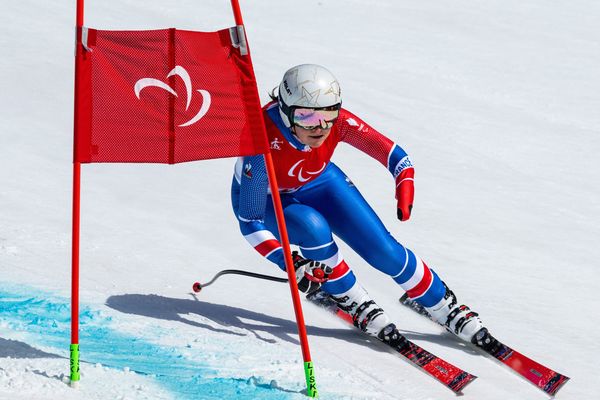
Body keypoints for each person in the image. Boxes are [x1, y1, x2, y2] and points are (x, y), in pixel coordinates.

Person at [230, 64, 485, 343]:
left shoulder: (338, 123)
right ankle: (350, 297)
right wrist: (285, 260)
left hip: (318, 182)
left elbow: (396, 156)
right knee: (313, 228)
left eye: (328, 115)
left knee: (385, 250)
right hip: (268, 200)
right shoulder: (261, 139)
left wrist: (404, 183)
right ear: (285, 111)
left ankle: (442, 305)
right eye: (306, 117)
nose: (320, 127)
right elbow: (250, 221)